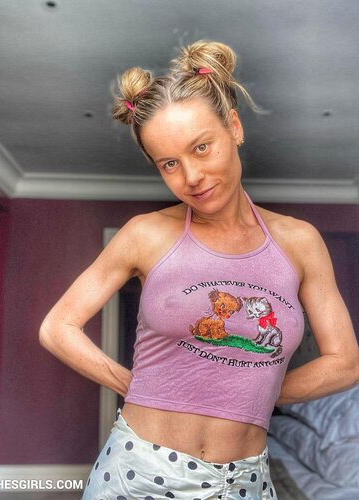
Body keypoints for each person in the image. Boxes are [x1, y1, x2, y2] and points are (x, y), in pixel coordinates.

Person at [39, 40, 359, 500]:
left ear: (235, 127)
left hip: (246, 480)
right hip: (140, 470)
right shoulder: (145, 234)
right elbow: (58, 327)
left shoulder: (300, 241)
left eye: (202, 147)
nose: (191, 176)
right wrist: (130, 384)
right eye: (170, 163)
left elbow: (344, 362)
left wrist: (256, 391)